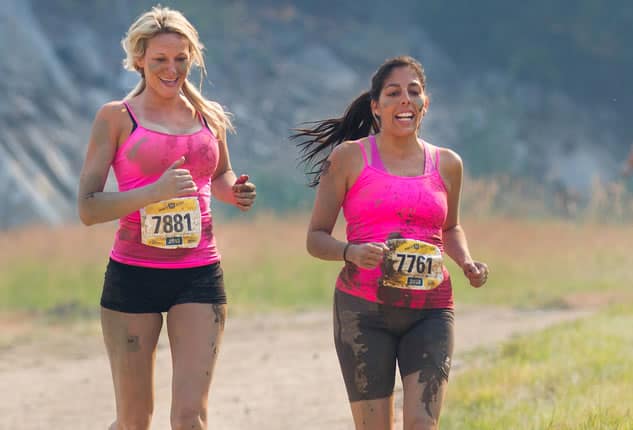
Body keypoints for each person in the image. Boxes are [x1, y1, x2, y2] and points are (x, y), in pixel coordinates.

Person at [77, 6, 256, 430]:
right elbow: (88, 207)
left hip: (199, 273)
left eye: (181, 59)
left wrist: (235, 191)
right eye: (160, 60)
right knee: (135, 419)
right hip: (132, 273)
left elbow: (219, 176)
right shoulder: (116, 117)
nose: (172, 69)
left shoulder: (208, 115)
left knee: (190, 417)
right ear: (139, 58)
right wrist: (153, 193)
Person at [292, 56, 488, 430]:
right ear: (376, 106)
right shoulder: (349, 157)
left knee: (421, 424)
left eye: (414, 92)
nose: (405, 100)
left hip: (431, 309)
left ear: (424, 104)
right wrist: (350, 252)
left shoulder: (448, 164)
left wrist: (466, 262)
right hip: (363, 311)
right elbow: (315, 238)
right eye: (393, 93)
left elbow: (450, 228)